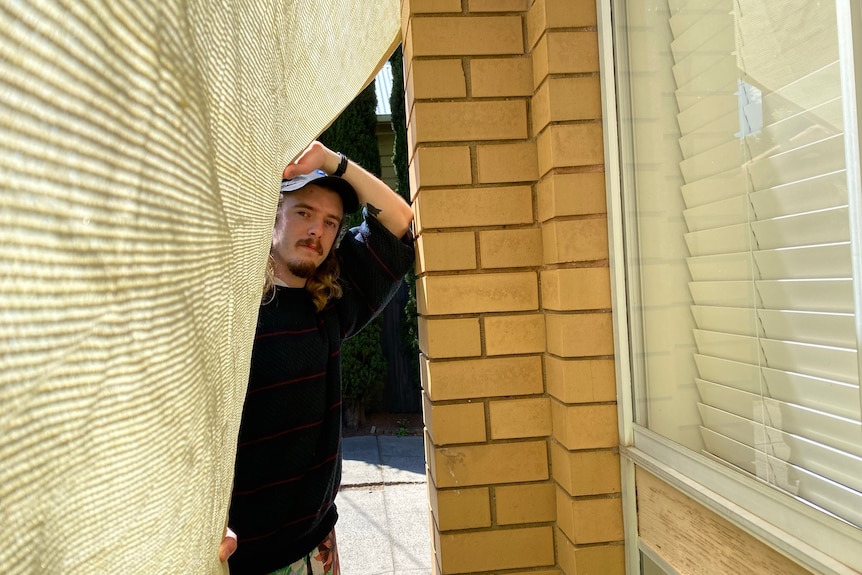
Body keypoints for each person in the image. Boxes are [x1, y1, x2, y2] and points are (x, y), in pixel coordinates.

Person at [219, 140, 415, 574]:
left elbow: (399, 222)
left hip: (318, 545)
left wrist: (331, 161)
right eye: (304, 213)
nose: (317, 232)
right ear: (272, 214)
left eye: (331, 222)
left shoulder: (329, 301)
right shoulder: (230, 310)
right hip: (244, 557)